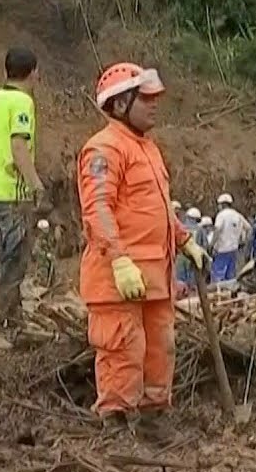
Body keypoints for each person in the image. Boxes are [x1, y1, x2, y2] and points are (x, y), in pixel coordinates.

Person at [76, 62, 208, 433]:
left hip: (153, 276)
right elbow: (97, 208)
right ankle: (115, 424)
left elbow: (159, 207)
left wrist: (184, 240)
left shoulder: (146, 148)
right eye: (145, 98)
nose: (154, 104)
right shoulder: (104, 149)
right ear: (120, 105)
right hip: (118, 278)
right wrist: (119, 261)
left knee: (158, 350)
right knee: (122, 352)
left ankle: (153, 420)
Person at [0, 47, 47, 345]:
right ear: (33, 73)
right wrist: (36, 185)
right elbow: (19, 147)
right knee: (15, 262)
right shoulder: (21, 103)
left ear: (5, 71)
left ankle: (15, 321)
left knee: (8, 258)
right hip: (12, 197)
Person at [210, 193, 250, 282]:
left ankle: (217, 293)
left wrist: (211, 245)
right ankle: (229, 293)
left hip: (221, 249)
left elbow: (217, 230)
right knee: (231, 275)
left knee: (218, 274)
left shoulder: (221, 215)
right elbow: (248, 228)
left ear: (222, 204)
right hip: (234, 249)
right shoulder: (237, 215)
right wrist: (242, 241)